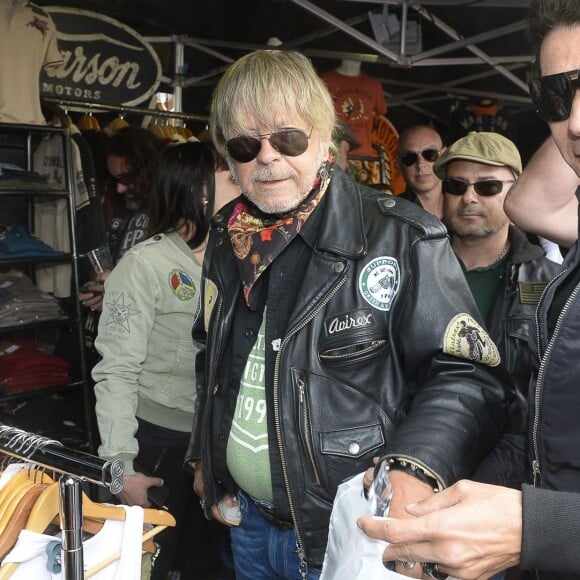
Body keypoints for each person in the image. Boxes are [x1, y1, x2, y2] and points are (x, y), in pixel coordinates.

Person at [184, 48, 515, 580]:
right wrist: (207, 453)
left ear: (323, 140)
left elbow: (468, 376)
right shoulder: (228, 235)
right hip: (245, 524)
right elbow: (212, 351)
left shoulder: (400, 237)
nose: (267, 158)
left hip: (344, 535)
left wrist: (413, 466)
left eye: (287, 139)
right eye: (246, 145)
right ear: (227, 155)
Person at [358, 2, 580, 579]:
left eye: (487, 184)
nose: (575, 121)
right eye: (558, 95)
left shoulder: (537, 272)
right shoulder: (413, 260)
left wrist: (536, 528)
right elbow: (529, 202)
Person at [92, 141, 235, 580]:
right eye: (229, 174)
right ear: (202, 190)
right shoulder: (145, 266)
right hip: (156, 447)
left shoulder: (241, 262)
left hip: (216, 450)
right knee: (150, 564)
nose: (244, 177)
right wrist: (121, 470)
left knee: (206, 566)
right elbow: (115, 370)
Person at [436, 131, 561, 429]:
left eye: (487, 186)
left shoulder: (553, 284)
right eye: (456, 185)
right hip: (425, 450)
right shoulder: (413, 270)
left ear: (515, 192)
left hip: (513, 459)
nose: (469, 197)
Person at [79, 126, 166, 313]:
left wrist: (119, 290)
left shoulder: (173, 213)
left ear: (148, 170)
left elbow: (173, 287)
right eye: (115, 180)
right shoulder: (119, 205)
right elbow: (104, 258)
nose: (119, 188)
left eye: (126, 179)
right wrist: (99, 282)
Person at [397, 125, 446, 219]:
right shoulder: (392, 216)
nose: (420, 164)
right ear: (399, 164)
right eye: (410, 157)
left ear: (444, 156)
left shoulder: (462, 207)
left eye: (430, 154)